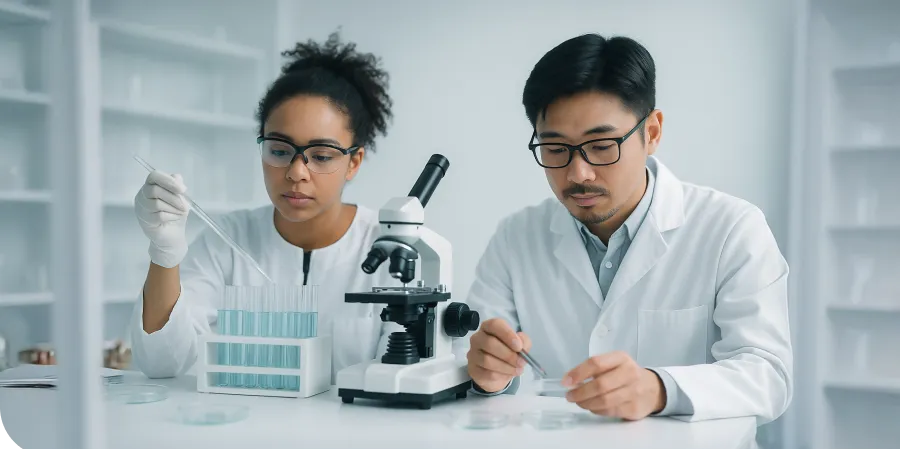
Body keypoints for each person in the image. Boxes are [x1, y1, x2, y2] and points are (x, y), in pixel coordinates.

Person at [463, 34, 793, 424]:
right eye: (555, 149)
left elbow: (767, 376)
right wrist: (489, 374)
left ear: (651, 132)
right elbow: (478, 368)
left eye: (601, 145)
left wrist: (658, 388)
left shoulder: (731, 229)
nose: (577, 173)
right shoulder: (515, 237)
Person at [129, 32, 403, 379]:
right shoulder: (227, 240)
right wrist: (164, 254)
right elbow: (160, 364)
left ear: (354, 161)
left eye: (320, 155)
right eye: (279, 150)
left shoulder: (394, 247)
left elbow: (403, 379)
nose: (296, 172)